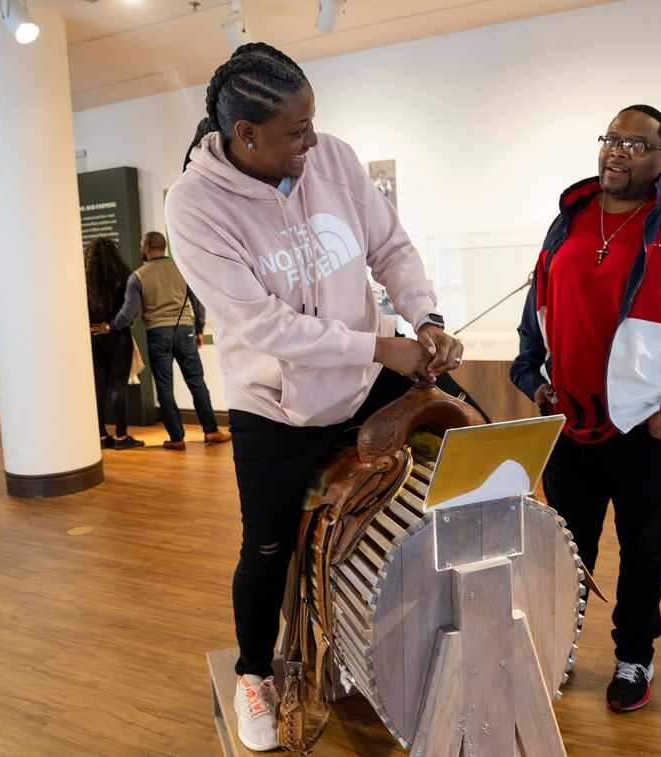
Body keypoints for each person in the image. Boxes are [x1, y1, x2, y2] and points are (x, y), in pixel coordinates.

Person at [165, 43, 466, 751]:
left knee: (463, 429)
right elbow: (262, 325)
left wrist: (425, 320)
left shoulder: (331, 156)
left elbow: (390, 246)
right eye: (296, 132)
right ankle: (252, 674)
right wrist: (377, 344)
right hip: (277, 406)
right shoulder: (194, 206)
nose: (313, 142)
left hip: (367, 374)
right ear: (246, 135)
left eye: (313, 123)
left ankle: (457, 614)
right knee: (265, 547)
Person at [511, 105, 661, 713]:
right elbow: (537, 306)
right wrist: (533, 375)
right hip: (570, 428)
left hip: (649, 432)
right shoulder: (567, 222)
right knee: (565, 553)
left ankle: (633, 656)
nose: (618, 151)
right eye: (612, 139)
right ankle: (554, 645)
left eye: (637, 144)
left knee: (644, 552)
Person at [106, 231, 232, 450]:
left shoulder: (138, 276)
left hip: (157, 334)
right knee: (196, 381)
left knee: (165, 388)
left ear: (146, 247)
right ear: (163, 247)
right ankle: (211, 431)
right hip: (185, 331)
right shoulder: (182, 268)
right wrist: (199, 328)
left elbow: (129, 313)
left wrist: (112, 326)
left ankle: (177, 438)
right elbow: (198, 302)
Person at [85, 237, 145, 451]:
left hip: (92, 337)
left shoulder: (82, 279)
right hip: (118, 336)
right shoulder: (124, 276)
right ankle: (121, 436)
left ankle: (101, 435)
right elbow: (131, 310)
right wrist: (112, 325)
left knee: (98, 386)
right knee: (119, 385)